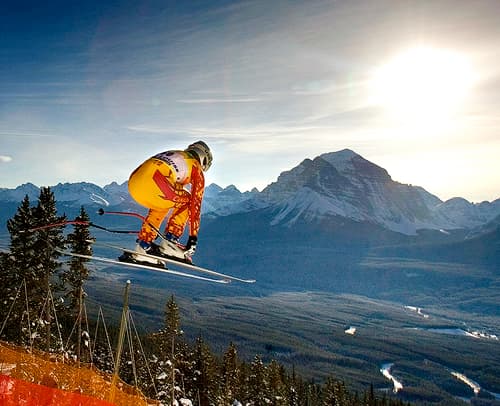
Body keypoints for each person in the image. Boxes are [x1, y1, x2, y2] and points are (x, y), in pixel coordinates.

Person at [122, 140, 213, 265]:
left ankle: (144, 246)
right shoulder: (195, 166)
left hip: (134, 183)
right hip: (155, 184)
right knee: (187, 200)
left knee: (162, 203)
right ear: (204, 158)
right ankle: (170, 243)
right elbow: (195, 204)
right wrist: (193, 237)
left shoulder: (176, 154)